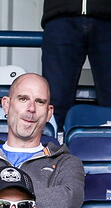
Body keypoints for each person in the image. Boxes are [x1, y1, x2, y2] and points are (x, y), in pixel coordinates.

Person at [0, 74, 84, 208]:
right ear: (6, 104)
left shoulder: (65, 162)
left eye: (40, 102)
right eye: (23, 99)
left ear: (49, 113)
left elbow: (69, 199)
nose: (31, 108)